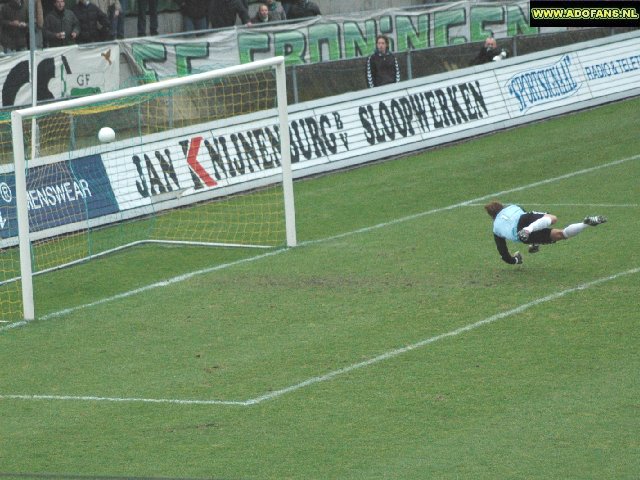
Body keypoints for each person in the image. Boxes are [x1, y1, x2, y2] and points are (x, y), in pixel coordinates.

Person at [484, 201, 607, 265]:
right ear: (502, 206)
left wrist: (515, 260)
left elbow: (503, 253)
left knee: (561, 235)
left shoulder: (496, 229)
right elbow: (529, 218)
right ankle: (585, 224)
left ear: (491, 216)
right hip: (524, 220)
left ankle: (528, 231)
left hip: (521, 236)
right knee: (553, 219)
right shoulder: (512, 207)